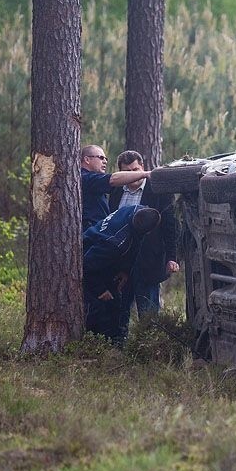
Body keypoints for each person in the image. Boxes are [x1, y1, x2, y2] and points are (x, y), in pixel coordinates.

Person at [109, 151, 180, 330]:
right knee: (118, 310)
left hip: (149, 261)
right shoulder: (116, 191)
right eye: (128, 171)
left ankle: (150, 348)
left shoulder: (158, 191)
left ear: (142, 168)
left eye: (136, 169)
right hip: (120, 262)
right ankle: (117, 349)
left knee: (148, 311)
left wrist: (172, 257)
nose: (133, 175)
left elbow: (170, 226)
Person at [82, 205, 160, 343]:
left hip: (105, 259)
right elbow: (87, 265)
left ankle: (116, 341)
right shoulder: (116, 243)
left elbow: (135, 245)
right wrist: (101, 290)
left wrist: (125, 270)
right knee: (101, 310)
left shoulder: (135, 209)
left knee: (117, 303)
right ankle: (99, 346)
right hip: (92, 262)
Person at [80, 144, 151, 231]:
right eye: (101, 157)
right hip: (90, 236)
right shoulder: (85, 178)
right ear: (87, 159)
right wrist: (146, 174)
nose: (105, 161)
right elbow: (113, 179)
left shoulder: (93, 180)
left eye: (106, 159)